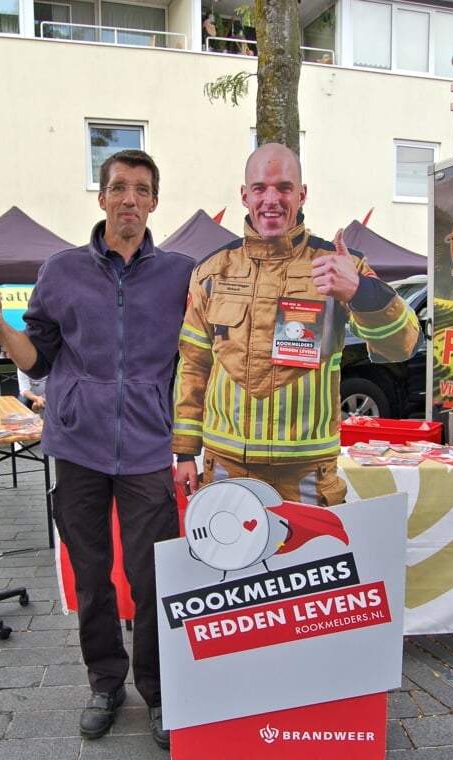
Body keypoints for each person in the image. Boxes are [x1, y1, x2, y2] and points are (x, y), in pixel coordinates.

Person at [0, 149, 193, 750]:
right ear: (101, 198)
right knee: (93, 575)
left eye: (141, 189)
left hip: (149, 446)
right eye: (118, 187)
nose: (129, 199)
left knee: (153, 578)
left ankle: (158, 691)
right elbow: (37, 359)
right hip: (76, 446)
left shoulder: (181, 273)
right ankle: (105, 682)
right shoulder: (62, 270)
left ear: (153, 201)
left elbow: (201, 356)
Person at [172, 142, 420, 506]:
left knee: (309, 562)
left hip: (306, 475)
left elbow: (403, 344)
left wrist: (360, 291)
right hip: (225, 469)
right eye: (260, 188)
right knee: (233, 563)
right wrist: (183, 453)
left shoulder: (338, 265)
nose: (271, 199)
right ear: (244, 195)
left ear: (302, 194)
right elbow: (193, 365)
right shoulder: (212, 271)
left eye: (284, 188)